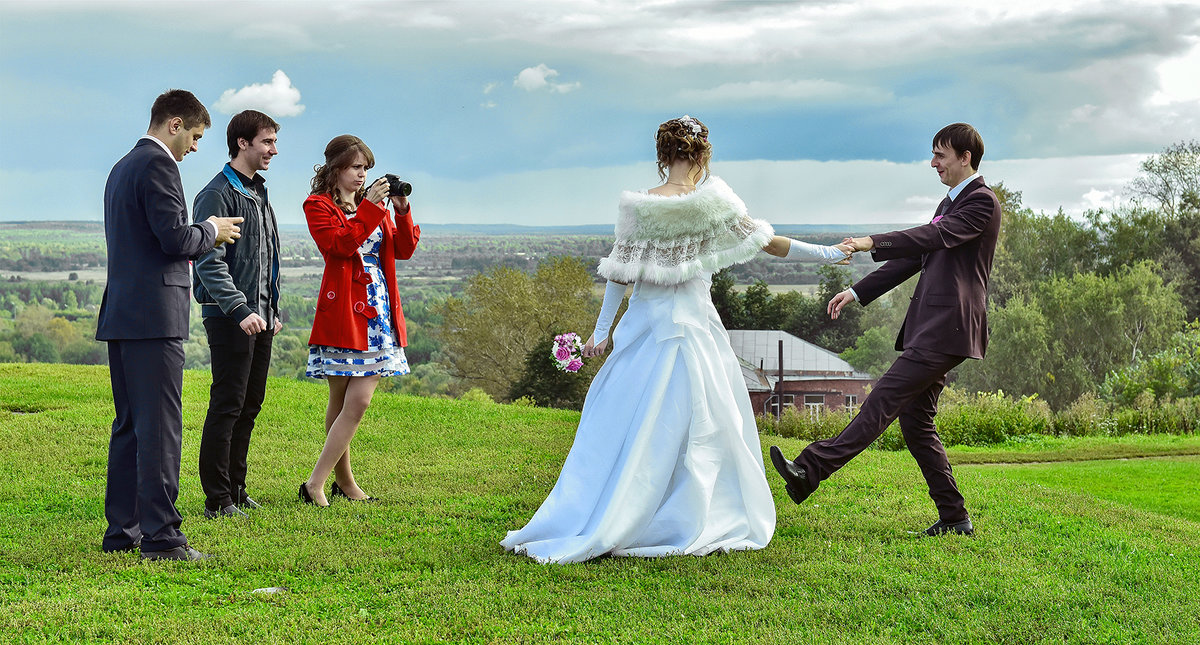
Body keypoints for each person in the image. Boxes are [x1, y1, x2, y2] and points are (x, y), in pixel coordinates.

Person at [501, 116, 852, 563]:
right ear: (702, 154)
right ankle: (686, 510)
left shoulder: (640, 207)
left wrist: (601, 332)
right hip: (693, 324)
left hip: (647, 325)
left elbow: (617, 276)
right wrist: (828, 254)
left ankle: (624, 508)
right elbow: (769, 242)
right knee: (701, 419)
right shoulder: (715, 201)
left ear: (662, 155)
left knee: (628, 417)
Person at [770, 123, 1002, 537]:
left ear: (965, 157)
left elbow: (933, 235)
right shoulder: (950, 203)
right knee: (917, 424)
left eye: (940, 156)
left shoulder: (981, 203)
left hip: (948, 329)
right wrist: (856, 292)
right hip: (933, 328)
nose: (933, 163)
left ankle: (809, 469)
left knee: (882, 400)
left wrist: (867, 241)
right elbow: (914, 257)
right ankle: (955, 518)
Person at [97, 89, 242, 561]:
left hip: (123, 314)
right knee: (160, 428)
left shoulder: (122, 167)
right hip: (153, 318)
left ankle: (122, 531)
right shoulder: (159, 165)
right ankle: (161, 538)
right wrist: (212, 231)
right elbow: (174, 238)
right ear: (174, 124)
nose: (197, 147)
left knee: (131, 427)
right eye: (196, 136)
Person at [299, 135, 420, 507]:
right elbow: (339, 246)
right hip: (342, 313)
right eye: (356, 167)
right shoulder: (317, 205)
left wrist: (400, 210)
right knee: (343, 402)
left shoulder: (377, 207)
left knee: (357, 402)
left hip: (377, 313)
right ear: (336, 170)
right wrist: (369, 209)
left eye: (365, 167)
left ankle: (323, 482)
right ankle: (334, 483)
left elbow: (403, 250)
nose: (362, 174)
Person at [192, 110, 282, 519]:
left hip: (258, 315)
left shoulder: (258, 191)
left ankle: (237, 489)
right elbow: (208, 262)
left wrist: (270, 309)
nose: (273, 150)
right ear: (242, 143)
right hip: (230, 315)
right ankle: (218, 500)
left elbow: (267, 257)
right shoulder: (216, 193)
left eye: (274, 142)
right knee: (227, 403)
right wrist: (241, 308)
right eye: (266, 142)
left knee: (250, 403)